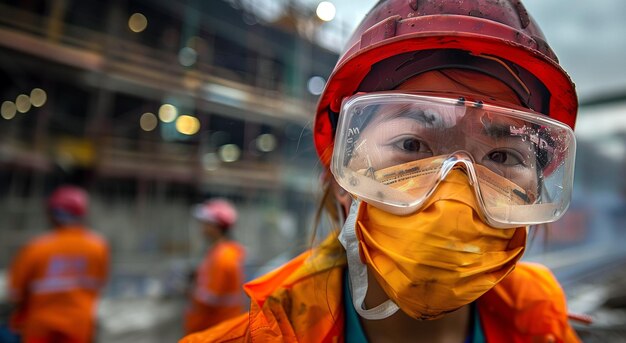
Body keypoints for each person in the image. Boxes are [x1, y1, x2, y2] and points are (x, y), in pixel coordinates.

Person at [180, 0, 583, 342]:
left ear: (534, 195)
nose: (454, 199)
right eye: (411, 145)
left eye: (501, 158)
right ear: (342, 178)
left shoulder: (539, 322)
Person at [8, 185, 109, 343]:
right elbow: (99, 284)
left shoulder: (37, 248)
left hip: (40, 330)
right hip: (79, 327)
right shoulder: (98, 247)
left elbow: (15, 292)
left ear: (53, 214)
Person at [184, 198, 246, 334]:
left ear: (216, 227)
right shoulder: (219, 252)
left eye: (206, 223)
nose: (202, 227)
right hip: (215, 329)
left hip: (216, 330)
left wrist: (189, 292)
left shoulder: (222, 257)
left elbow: (210, 298)